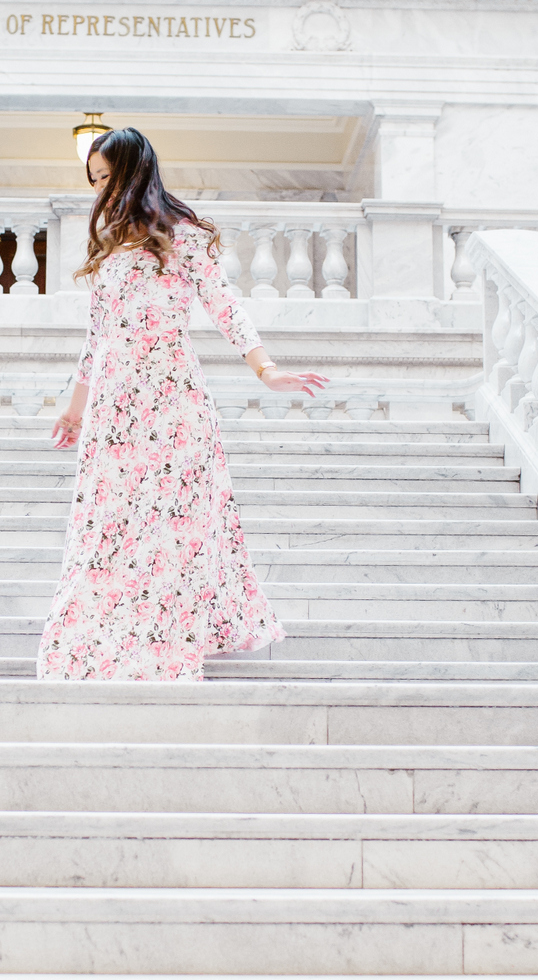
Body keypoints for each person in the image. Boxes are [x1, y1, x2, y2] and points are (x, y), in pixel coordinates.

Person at [37, 127, 328, 683]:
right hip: (114, 405)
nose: (99, 191)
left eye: (106, 178)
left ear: (133, 172)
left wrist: (265, 369)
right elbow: (97, 337)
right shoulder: (108, 248)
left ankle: (167, 643)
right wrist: (75, 409)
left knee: (171, 524)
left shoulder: (183, 236)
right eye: (93, 180)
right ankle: (108, 641)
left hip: (171, 396)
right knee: (110, 526)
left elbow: (224, 306)